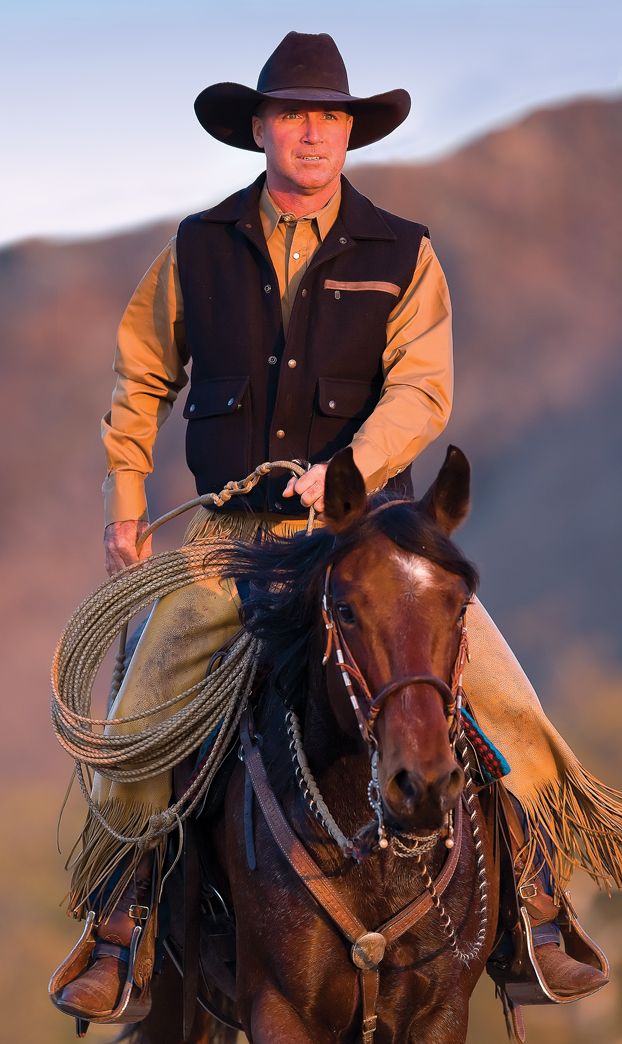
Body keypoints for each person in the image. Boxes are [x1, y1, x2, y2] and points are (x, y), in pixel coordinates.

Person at [51, 31, 618, 1027]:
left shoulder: (405, 251)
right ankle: (126, 923)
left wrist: (346, 473)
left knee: (490, 680)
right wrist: (127, 505)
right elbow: (140, 377)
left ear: (349, 134)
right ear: (260, 129)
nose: (311, 134)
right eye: (292, 115)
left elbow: (423, 387)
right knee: (143, 713)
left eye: (329, 117)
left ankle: (532, 898)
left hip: (371, 534)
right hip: (233, 542)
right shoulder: (195, 249)